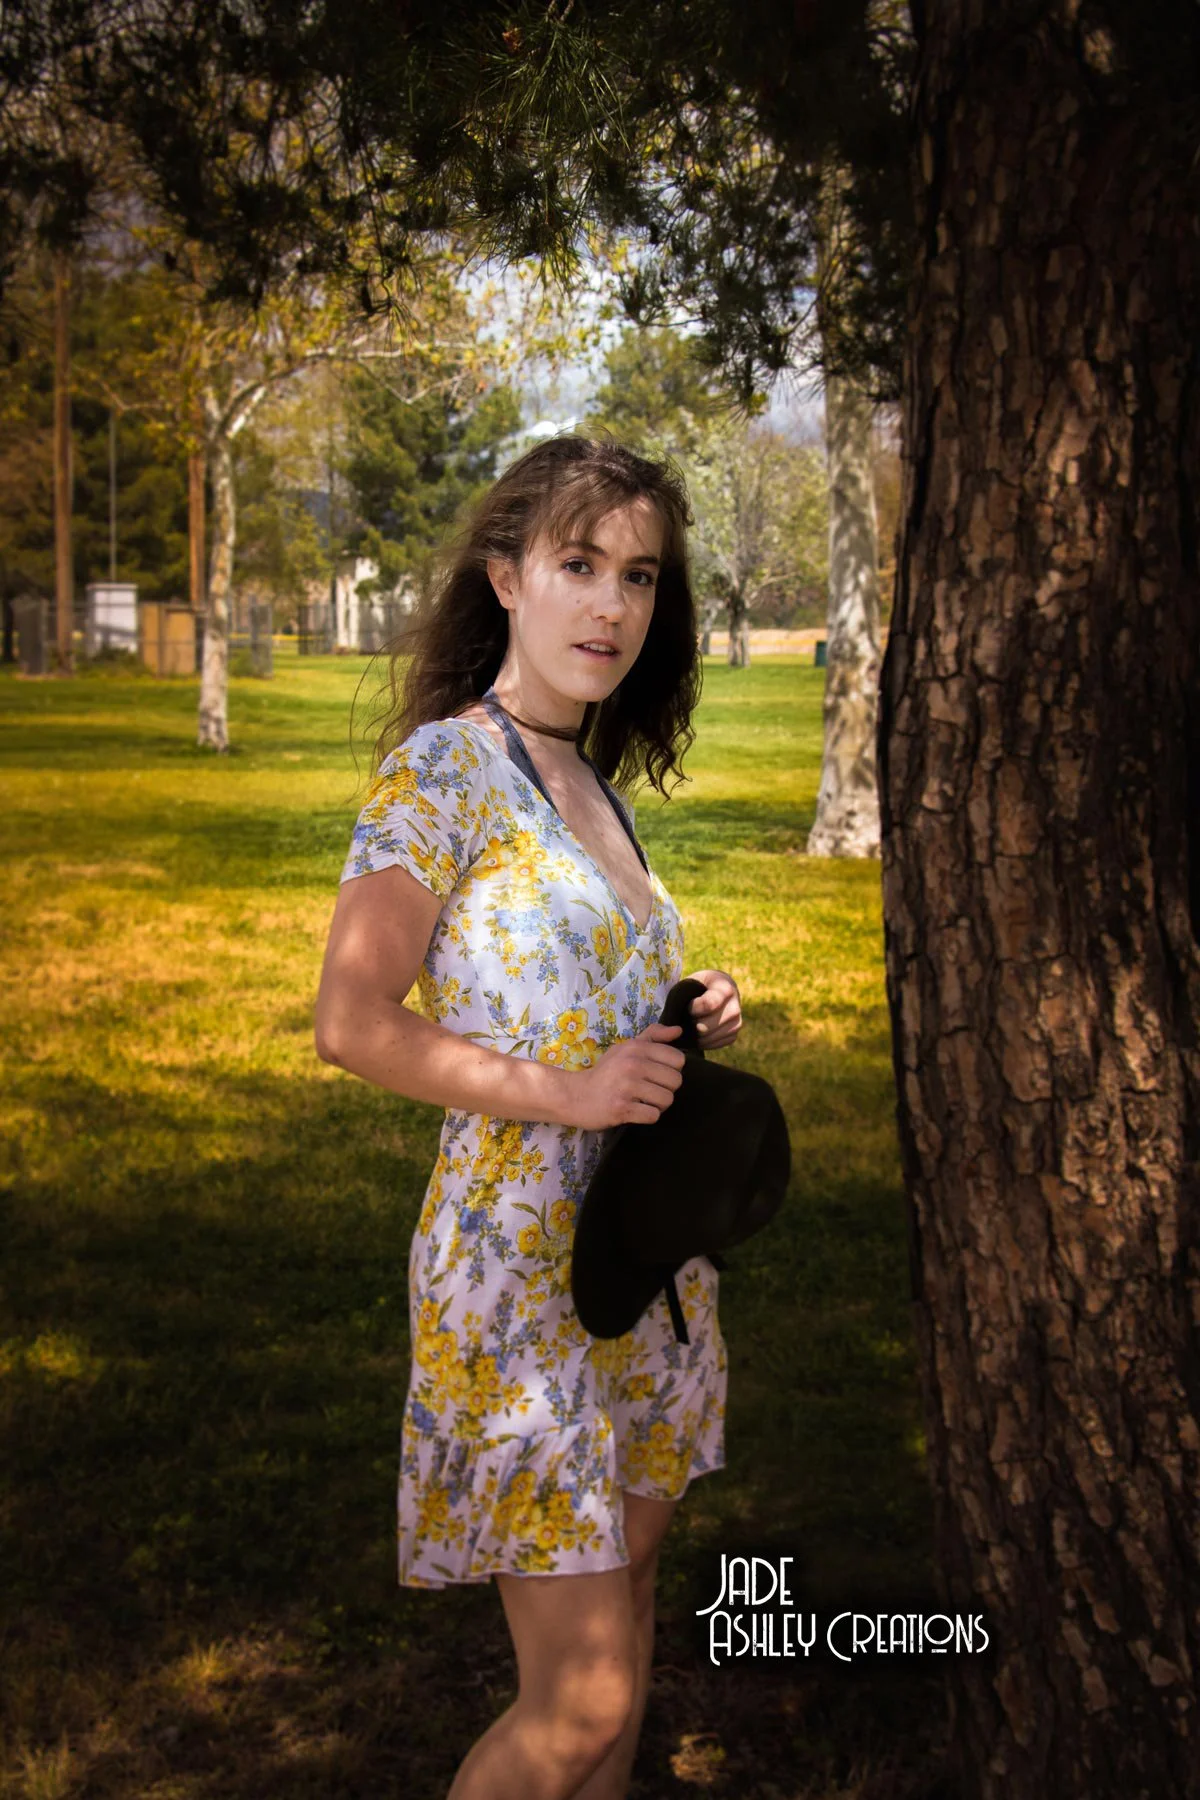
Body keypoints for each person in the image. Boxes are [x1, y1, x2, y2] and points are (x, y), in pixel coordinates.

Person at [314, 434, 743, 1800]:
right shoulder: (441, 775)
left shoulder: (591, 782)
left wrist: (689, 1006)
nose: (611, 604)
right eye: (577, 565)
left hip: (638, 1271)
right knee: (578, 1707)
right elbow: (353, 1019)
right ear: (506, 576)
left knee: (617, 1704)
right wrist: (570, 1090)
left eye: (638, 575)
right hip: (514, 1287)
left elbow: (577, 996)